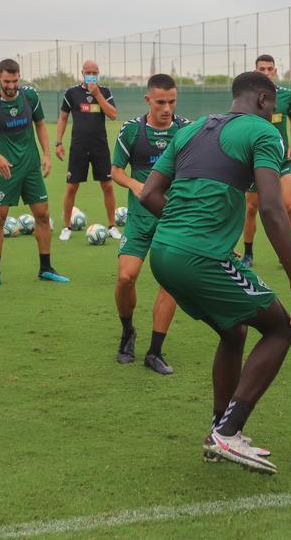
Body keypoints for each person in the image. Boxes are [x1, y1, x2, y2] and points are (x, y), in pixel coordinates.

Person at [140, 71, 291, 475]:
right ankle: (228, 432)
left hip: (162, 251)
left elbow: (149, 194)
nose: (274, 113)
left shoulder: (189, 131)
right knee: (280, 328)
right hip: (200, 256)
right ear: (263, 100)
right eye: (273, 106)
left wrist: (180, 228)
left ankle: (219, 430)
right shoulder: (263, 132)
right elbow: (272, 207)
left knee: (234, 330)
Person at [111, 73, 188, 374]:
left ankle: (155, 351)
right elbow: (115, 171)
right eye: (160, 102)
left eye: (171, 101)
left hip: (173, 219)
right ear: (148, 100)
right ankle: (128, 331)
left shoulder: (185, 130)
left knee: (169, 282)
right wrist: (133, 183)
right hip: (140, 219)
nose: (166, 108)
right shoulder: (131, 131)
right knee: (126, 277)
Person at [0, 58, 67, 287]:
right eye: (7, 81)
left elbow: (41, 125)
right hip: (6, 170)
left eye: (15, 80)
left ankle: (46, 268)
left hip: (31, 167)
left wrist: (46, 155)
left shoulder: (30, 96)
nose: (12, 85)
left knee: (43, 215)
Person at [241, 54, 291, 267]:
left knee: (290, 207)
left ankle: (286, 251)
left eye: (270, 69)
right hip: (255, 162)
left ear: (275, 71)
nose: (266, 73)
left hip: (282, 160)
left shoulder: (287, 97)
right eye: (262, 69)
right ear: (255, 71)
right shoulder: (247, 98)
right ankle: (248, 253)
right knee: (251, 209)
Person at [55, 60, 121, 241]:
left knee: (107, 185)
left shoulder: (105, 92)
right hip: (79, 146)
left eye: (94, 72)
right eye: (88, 72)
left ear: (98, 73)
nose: (91, 74)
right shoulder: (72, 93)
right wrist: (58, 142)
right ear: (82, 72)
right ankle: (67, 227)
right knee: (71, 187)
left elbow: (113, 115)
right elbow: (62, 118)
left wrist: (98, 94)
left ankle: (112, 226)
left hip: (100, 146)